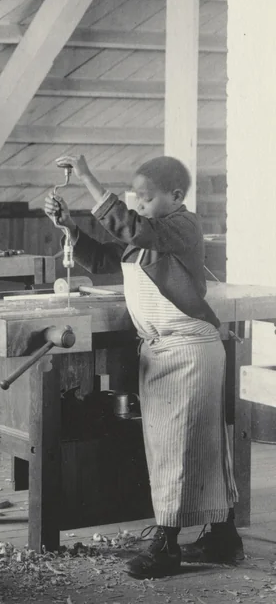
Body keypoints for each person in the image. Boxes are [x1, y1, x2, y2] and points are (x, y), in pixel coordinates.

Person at [44, 154, 241, 579]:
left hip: (189, 348)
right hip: (164, 349)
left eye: (146, 199)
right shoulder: (152, 233)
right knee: (198, 447)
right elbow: (102, 258)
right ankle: (224, 537)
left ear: (175, 197)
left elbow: (130, 227)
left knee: (177, 449)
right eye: (136, 197)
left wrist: (87, 177)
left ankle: (166, 546)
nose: (139, 205)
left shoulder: (181, 228)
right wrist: (70, 228)